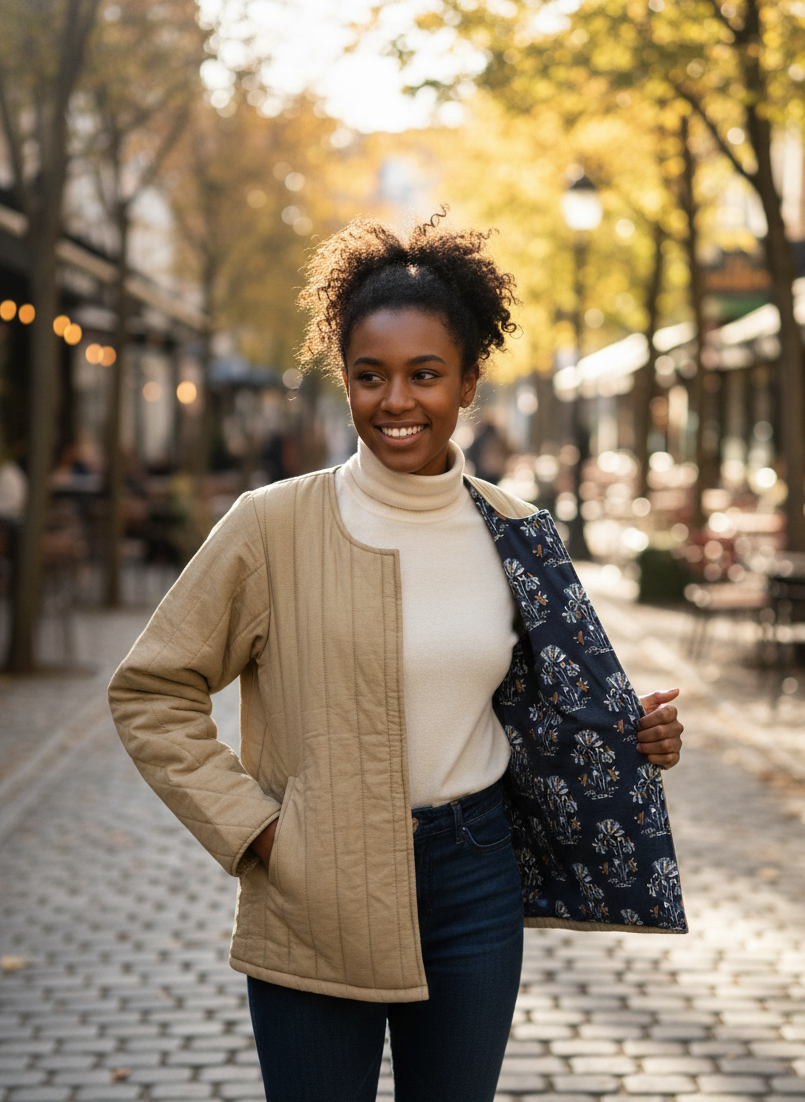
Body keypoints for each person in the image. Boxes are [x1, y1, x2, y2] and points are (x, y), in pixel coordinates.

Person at [109, 211, 685, 1102]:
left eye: (425, 373)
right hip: (316, 883)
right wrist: (256, 831)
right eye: (369, 375)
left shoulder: (519, 532)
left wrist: (637, 737)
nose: (396, 400)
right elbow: (152, 690)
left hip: (474, 879)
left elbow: (549, 704)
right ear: (344, 379)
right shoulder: (271, 526)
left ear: (467, 382)